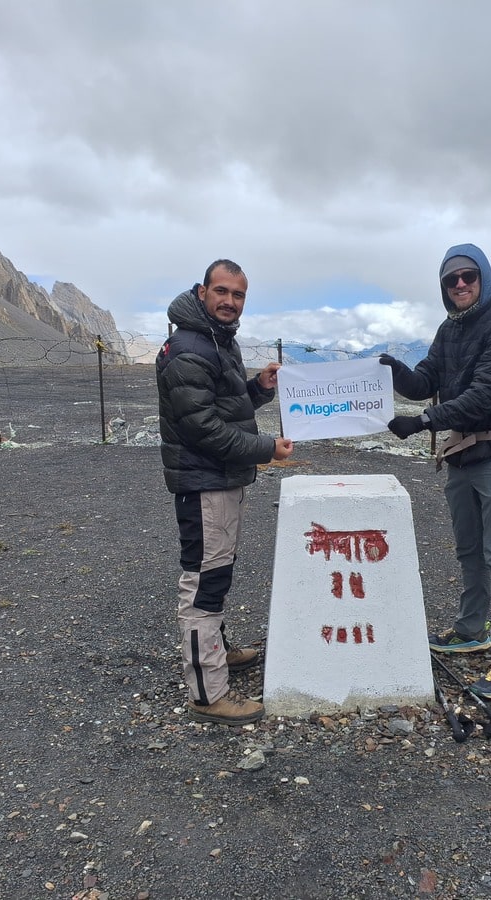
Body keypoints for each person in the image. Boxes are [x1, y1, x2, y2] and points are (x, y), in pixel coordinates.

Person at [380, 243, 491, 699]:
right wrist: (393, 372)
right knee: (470, 550)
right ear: (444, 289)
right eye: (451, 280)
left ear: (483, 277)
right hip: (462, 458)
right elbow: (427, 380)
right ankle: (472, 630)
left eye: (468, 276)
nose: (460, 284)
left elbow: (485, 394)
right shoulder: (450, 329)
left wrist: (424, 421)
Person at [156, 259, 294, 726]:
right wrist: (266, 448)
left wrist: (258, 387)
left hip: (218, 479)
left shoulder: (215, 341)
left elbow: (222, 406)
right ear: (201, 292)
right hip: (204, 480)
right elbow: (203, 429)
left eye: (238, 295)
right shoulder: (191, 348)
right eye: (221, 291)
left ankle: (217, 650)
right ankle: (207, 692)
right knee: (204, 581)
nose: (229, 301)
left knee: (217, 569)